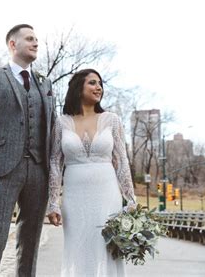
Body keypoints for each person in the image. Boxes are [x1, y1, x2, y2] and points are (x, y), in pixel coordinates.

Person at [0, 24, 55, 277]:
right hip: (1, 170)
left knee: (30, 242)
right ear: (12, 44)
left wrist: (54, 173)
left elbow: (51, 128)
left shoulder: (45, 83)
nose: (36, 43)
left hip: (39, 171)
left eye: (37, 39)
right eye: (30, 39)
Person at [46, 68, 137, 276]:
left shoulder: (112, 120)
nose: (99, 88)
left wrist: (130, 199)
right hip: (75, 196)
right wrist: (53, 202)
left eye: (100, 84)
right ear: (79, 88)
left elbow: (121, 160)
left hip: (106, 193)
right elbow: (55, 162)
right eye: (93, 83)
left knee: (105, 247)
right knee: (78, 247)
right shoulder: (61, 122)